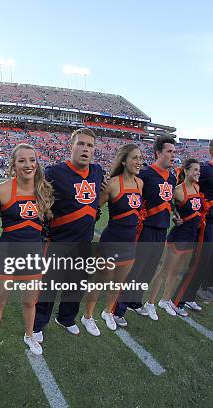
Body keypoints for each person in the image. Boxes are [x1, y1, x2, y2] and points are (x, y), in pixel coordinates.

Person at [0, 143, 53, 363]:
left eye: (32, 160)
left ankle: (29, 335)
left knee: (30, 302)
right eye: (22, 160)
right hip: (7, 254)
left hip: (33, 256)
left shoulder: (43, 190)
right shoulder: (1, 190)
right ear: (13, 164)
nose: (28, 164)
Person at [33, 128, 104, 338]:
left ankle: (66, 318)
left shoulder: (98, 171)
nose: (85, 149)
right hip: (58, 240)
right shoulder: (54, 172)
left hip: (84, 240)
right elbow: (40, 203)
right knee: (49, 287)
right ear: (70, 146)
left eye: (90, 145)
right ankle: (38, 324)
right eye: (81, 144)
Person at [113, 136, 178, 325]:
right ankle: (119, 310)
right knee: (136, 268)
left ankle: (135, 300)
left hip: (162, 228)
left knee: (149, 269)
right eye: (169, 151)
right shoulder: (146, 174)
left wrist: (174, 214)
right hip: (145, 228)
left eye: (174, 151)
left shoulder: (172, 178)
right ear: (158, 153)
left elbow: (167, 201)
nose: (173, 155)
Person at [83, 144, 143, 335]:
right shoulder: (112, 183)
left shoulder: (140, 183)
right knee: (100, 281)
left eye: (140, 158)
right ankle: (88, 316)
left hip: (130, 242)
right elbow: (93, 209)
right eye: (134, 158)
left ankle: (108, 311)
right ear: (124, 161)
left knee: (119, 282)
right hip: (111, 241)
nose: (139, 162)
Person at [174, 138, 213, 310]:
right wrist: (177, 211)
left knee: (205, 263)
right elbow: (184, 186)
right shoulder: (206, 170)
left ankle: (189, 296)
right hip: (208, 224)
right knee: (198, 262)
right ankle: (178, 300)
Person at [147, 159, 201, 317]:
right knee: (164, 270)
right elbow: (168, 205)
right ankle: (150, 303)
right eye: (195, 170)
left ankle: (165, 300)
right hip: (178, 236)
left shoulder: (197, 187)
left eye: (199, 170)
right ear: (186, 171)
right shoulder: (178, 190)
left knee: (177, 271)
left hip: (191, 236)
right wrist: (174, 216)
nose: (198, 173)